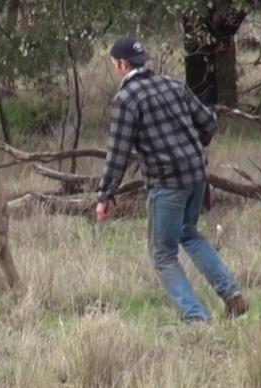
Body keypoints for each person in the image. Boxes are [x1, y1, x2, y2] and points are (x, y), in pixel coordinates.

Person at [96, 36, 248, 322]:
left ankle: (195, 317)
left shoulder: (126, 99)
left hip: (167, 183)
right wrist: (190, 146)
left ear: (122, 64)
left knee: (162, 255)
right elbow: (209, 123)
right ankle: (232, 295)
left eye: (114, 63)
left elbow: (117, 153)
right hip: (196, 175)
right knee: (188, 233)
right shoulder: (173, 85)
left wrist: (105, 195)